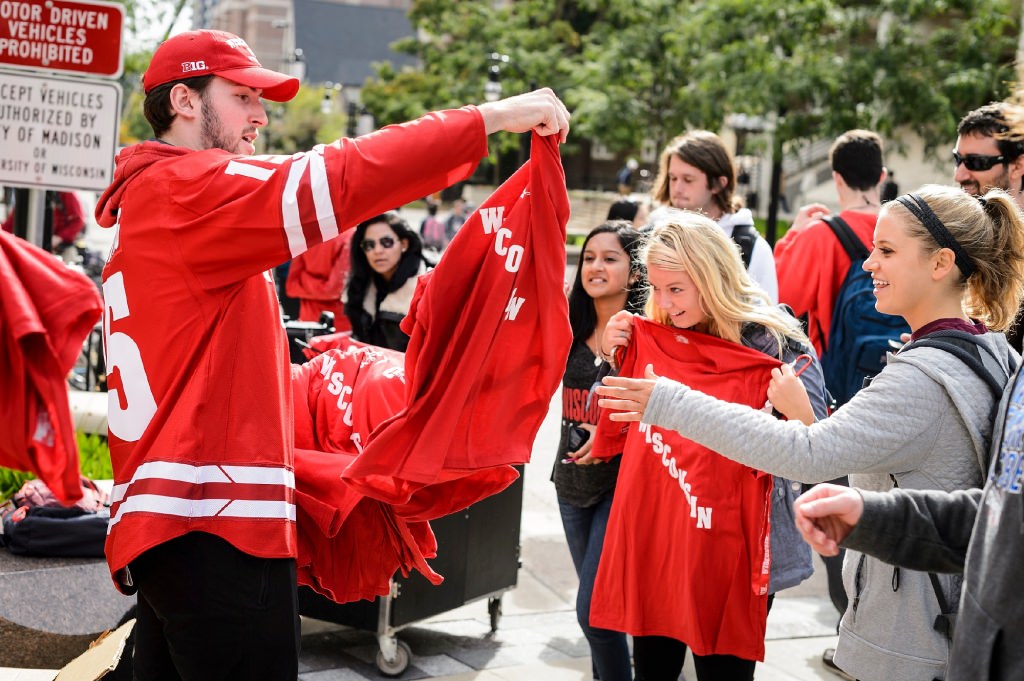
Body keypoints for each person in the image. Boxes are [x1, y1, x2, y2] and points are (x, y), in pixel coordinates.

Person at [94, 28, 570, 681]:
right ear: (183, 99)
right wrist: (492, 117)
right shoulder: (188, 189)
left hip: (176, 525)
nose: (261, 115)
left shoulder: (153, 195)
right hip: (214, 531)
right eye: (241, 97)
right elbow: (344, 172)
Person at [596, 185, 1024, 681]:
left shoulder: (919, 377)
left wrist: (668, 401)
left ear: (941, 263)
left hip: (918, 635)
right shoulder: (991, 351)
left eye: (885, 251)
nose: (867, 265)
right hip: (948, 614)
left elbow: (811, 451)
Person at [588, 210, 826, 681]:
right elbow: (613, 415)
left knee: (724, 671)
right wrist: (610, 357)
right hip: (662, 533)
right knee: (654, 667)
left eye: (676, 289)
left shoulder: (774, 343)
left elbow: (821, 446)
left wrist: (797, 408)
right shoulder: (653, 334)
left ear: (713, 277)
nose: (664, 302)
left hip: (734, 546)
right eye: (656, 288)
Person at [772, 130, 892, 669]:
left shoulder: (822, 237)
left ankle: (854, 642)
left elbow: (780, 308)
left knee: (839, 529)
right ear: (882, 176)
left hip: (837, 406)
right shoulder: (905, 229)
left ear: (836, 178)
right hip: (902, 396)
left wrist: (793, 237)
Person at [553, 220, 644, 681]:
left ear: (633, 272)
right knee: (600, 621)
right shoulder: (568, 325)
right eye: (589, 258)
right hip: (570, 483)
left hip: (621, 486)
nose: (596, 266)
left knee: (596, 615)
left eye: (610, 258)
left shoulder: (646, 334)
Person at [649, 130, 778, 301]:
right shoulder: (650, 233)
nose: (677, 188)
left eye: (688, 179)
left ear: (718, 184)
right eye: (673, 178)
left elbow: (767, 316)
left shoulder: (751, 247)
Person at [954, 102, 1024, 352]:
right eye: (958, 159)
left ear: (1018, 166)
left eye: (976, 162)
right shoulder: (959, 233)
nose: (960, 174)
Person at [343, 212, 428, 352]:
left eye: (386, 242)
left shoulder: (427, 288)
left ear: (404, 244)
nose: (377, 251)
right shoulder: (360, 287)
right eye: (369, 245)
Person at [284, 230, 353, 329]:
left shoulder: (305, 236)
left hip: (312, 323)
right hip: (334, 324)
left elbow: (333, 290)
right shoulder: (348, 236)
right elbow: (291, 288)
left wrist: (305, 279)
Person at [1, 190, 86, 252]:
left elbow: (78, 221)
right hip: (32, 246)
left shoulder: (65, 192)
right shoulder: (29, 193)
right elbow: (11, 222)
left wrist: (60, 237)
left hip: (61, 248)